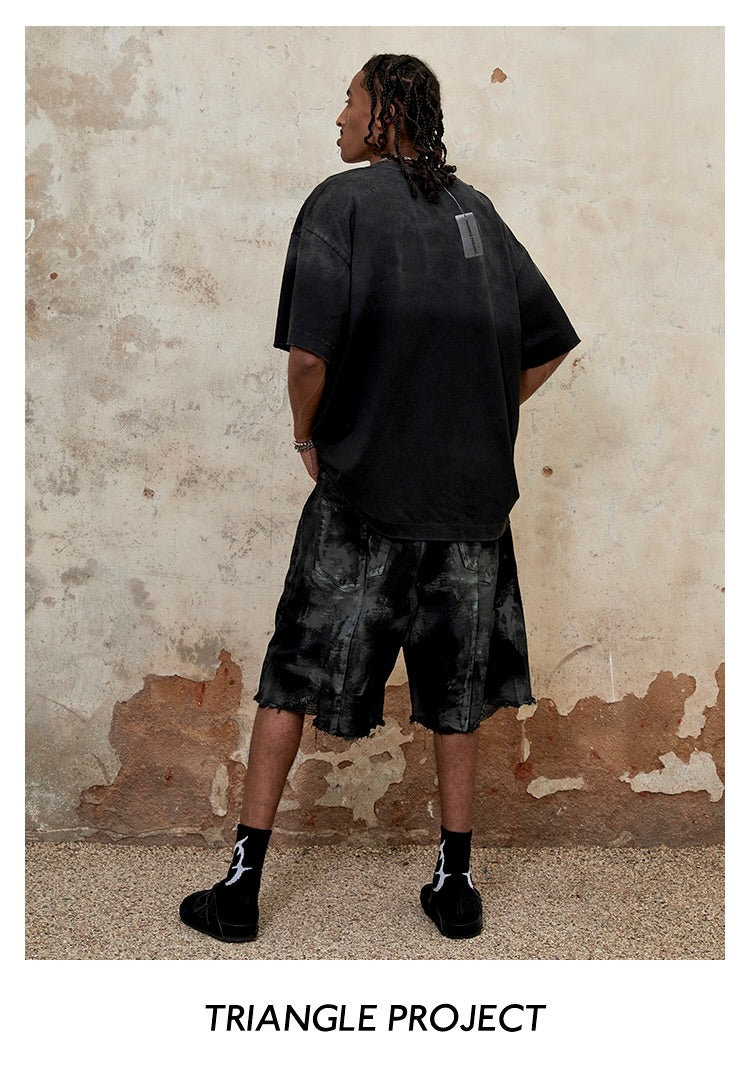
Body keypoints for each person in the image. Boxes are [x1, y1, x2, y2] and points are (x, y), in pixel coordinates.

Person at [179, 53, 579, 944]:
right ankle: (457, 886)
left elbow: (308, 359)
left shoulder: (341, 203)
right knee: (455, 691)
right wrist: (477, 414)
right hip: (470, 505)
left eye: (350, 99)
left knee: (292, 675)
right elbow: (548, 341)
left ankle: (240, 887)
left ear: (384, 113)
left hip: (365, 496)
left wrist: (307, 437)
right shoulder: (479, 214)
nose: (340, 115)